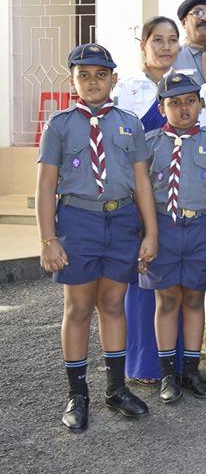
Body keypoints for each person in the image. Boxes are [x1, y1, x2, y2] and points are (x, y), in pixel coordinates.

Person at [37, 43, 156, 431]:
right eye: (84, 75)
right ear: (71, 80)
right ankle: (78, 394)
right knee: (78, 307)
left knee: (113, 303)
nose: (92, 82)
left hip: (121, 220)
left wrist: (150, 232)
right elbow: (46, 185)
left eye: (101, 75)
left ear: (113, 79)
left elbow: (142, 182)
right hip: (78, 219)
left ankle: (116, 389)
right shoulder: (60, 125)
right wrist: (48, 239)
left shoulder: (129, 123)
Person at [141, 73, 206, 404]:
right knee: (167, 299)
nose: (183, 109)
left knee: (194, 297)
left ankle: (191, 370)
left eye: (190, 102)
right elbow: (142, 192)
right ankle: (168, 373)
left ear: (200, 105)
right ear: (161, 108)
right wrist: (146, 234)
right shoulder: (149, 143)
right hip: (164, 226)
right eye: (174, 103)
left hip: (202, 227)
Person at [113, 16, 182, 387]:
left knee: (173, 280)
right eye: (158, 39)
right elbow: (120, 144)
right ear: (143, 45)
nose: (166, 47)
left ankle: (178, 361)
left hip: (178, 197)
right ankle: (142, 363)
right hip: (139, 194)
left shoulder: (186, 85)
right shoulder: (127, 89)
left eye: (172, 39)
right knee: (141, 278)